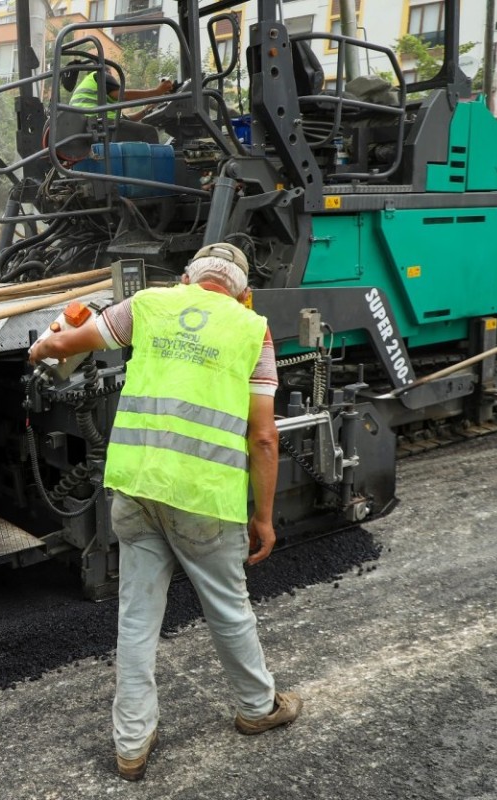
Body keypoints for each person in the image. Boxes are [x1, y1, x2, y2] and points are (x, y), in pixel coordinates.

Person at [27, 242, 302, 782]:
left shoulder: (148, 304)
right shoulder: (254, 331)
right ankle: (257, 709)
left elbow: (69, 342)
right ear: (244, 293)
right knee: (228, 609)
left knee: (136, 618)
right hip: (203, 498)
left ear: (185, 278)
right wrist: (264, 518)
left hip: (136, 489)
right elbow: (264, 437)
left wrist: (42, 349)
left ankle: (131, 745)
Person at [69, 67, 174, 142]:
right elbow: (123, 96)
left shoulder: (91, 91)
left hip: (88, 128)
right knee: (149, 132)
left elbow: (126, 119)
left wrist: (147, 109)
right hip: (98, 126)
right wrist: (156, 92)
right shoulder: (100, 74)